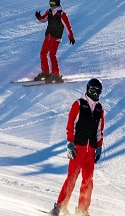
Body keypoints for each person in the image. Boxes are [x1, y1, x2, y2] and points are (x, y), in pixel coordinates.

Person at [49, 79, 105, 216]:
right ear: (88, 90)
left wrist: (99, 147)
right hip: (78, 148)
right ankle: (60, 206)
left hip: (91, 150)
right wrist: (70, 144)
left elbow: (99, 130)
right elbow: (70, 125)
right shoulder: (79, 104)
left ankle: (82, 210)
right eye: (93, 91)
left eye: (98, 92)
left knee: (88, 181)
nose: (95, 94)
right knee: (72, 177)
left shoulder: (100, 109)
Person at [35, 0, 75, 83]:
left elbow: (67, 26)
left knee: (52, 55)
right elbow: (43, 20)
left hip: (56, 37)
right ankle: (45, 73)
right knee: (43, 53)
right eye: (50, 3)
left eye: (53, 3)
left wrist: (71, 37)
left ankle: (56, 75)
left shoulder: (62, 14)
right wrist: (38, 17)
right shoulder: (49, 12)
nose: (52, 5)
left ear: (57, 3)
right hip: (48, 36)